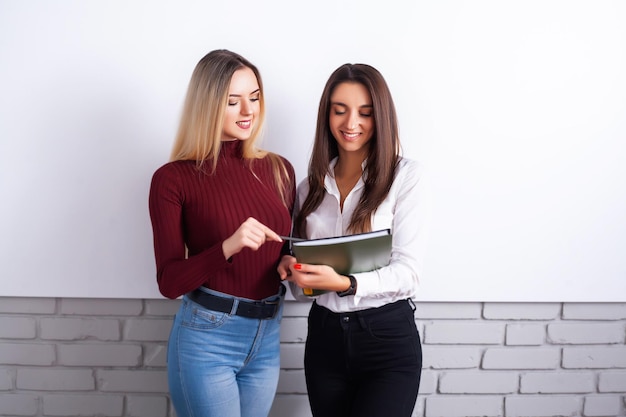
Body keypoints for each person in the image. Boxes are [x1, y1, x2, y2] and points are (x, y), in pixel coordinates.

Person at [149, 49, 296, 417]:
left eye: (254, 97)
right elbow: (169, 282)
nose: (248, 111)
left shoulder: (280, 170)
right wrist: (228, 246)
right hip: (207, 338)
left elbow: (282, 251)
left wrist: (289, 263)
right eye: (233, 101)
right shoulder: (173, 179)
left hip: (268, 333)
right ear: (208, 104)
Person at [278, 63, 429, 417]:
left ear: (381, 118)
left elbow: (409, 273)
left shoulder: (406, 178)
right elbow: (303, 292)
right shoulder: (309, 189)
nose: (351, 124)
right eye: (339, 110)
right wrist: (292, 268)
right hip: (325, 340)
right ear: (326, 115)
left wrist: (346, 283)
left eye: (365, 113)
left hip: (386, 340)